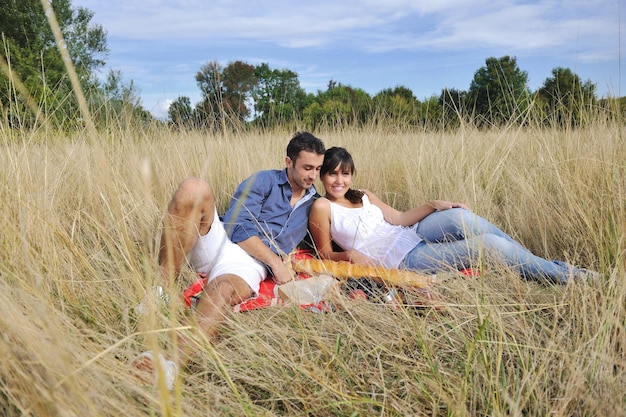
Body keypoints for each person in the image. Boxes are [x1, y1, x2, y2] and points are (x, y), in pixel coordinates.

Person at [132, 132, 326, 390]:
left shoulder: (315, 203)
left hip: (248, 264)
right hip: (221, 239)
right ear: (288, 162)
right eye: (307, 168)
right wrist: (276, 263)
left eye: (318, 169)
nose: (313, 176)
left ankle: (170, 365)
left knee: (223, 289)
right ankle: (160, 290)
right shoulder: (264, 180)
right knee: (194, 186)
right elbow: (237, 226)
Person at [308, 146, 599, 286]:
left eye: (344, 174)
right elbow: (323, 256)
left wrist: (433, 204)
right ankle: (567, 276)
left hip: (413, 234)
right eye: (332, 173)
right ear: (322, 175)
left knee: (462, 217)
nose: (339, 181)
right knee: (487, 246)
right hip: (403, 258)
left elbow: (398, 218)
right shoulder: (322, 207)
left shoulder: (364, 195)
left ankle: (536, 263)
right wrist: (351, 257)